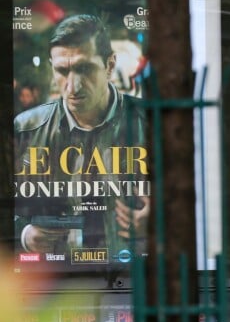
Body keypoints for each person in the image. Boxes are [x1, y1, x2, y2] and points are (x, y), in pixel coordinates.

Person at [14, 14, 149, 264]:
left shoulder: (152, 124)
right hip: (55, 281)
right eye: (62, 71)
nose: (73, 86)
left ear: (109, 66)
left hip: (132, 276)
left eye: (84, 68)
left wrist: (162, 222)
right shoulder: (25, 130)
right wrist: (24, 235)